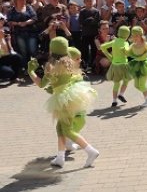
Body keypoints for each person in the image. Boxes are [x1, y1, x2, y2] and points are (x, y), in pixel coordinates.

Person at [27, 37, 99, 168]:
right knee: (60, 128)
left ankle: (91, 151)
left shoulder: (51, 65)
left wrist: (31, 71)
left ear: (52, 49)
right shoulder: (68, 62)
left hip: (62, 99)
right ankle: (60, 158)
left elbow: (42, 84)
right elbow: (60, 80)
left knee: (67, 130)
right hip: (70, 95)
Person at [100, 26, 132, 108]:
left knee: (116, 83)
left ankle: (114, 101)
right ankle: (121, 94)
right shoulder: (126, 43)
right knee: (126, 80)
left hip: (115, 65)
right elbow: (127, 53)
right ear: (127, 35)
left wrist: (110, 57)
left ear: (118, 33)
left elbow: (102, 47)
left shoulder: (114, 41)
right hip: (124, 65)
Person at [127, 26, 147, 108]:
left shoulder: (145, 44)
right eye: (133, 35)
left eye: (136, 35)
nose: (135, 37)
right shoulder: (132, 45)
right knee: (136, 85)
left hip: (144, 65)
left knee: (141, 84)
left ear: (141, 35)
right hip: (135, 65)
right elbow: (126, 53)